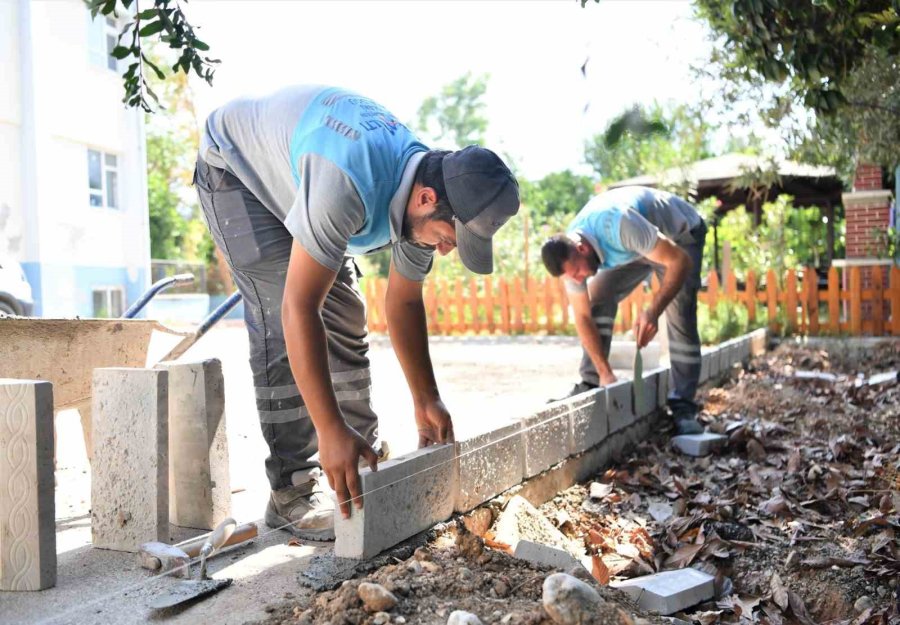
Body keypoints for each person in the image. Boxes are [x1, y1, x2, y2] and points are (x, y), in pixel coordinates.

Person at [194, 85, 519, 540]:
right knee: (278, 313)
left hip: (307, 174)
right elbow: (298, 308)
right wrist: (329, 428)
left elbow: (404, 301)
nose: (446, 250)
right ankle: (294, 488)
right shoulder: (350, 179)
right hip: (237, 171)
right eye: (449, 237)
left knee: (344, 311)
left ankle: (358, 466)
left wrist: (426, 397)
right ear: (426, 199)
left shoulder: (431, 190)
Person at [540, 186, 706, 435]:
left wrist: (653, 312)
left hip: (681, 235)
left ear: (582, 248)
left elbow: (678, 261)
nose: (578, 279)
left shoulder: (618, 225)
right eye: (572, 277)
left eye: (578, 272)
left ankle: (683, 405)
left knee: (679, 311)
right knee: (597, 301)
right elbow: (583, 318)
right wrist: (606, 374)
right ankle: (592, 381)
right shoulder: (571, 259)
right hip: (638, 247)